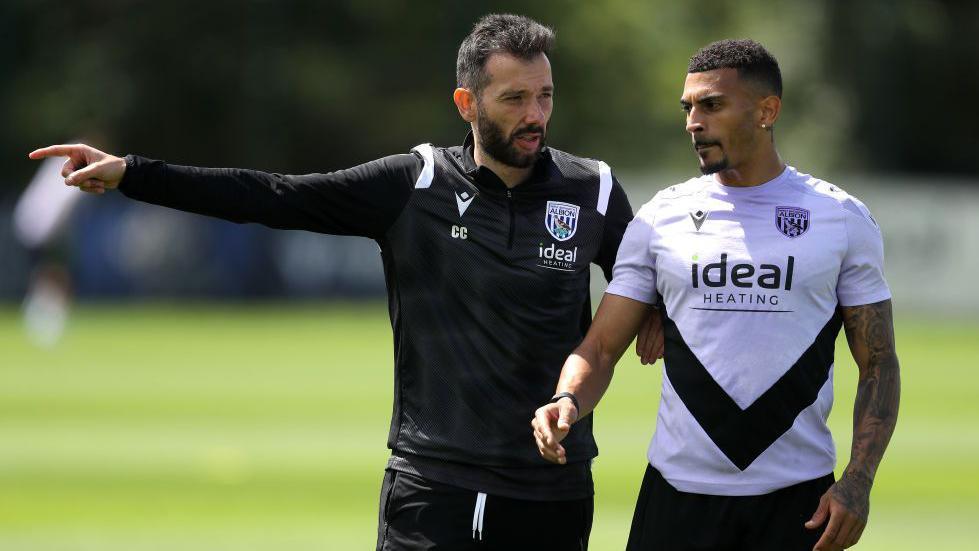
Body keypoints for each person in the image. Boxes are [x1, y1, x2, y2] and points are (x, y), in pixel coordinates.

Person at [30, 13, 664, 551]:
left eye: (545, 96)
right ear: (467, 104)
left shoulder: (595, 190)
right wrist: (134, 174)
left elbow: (642, 281)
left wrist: (655, 308)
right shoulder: (413, 185)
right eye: (515, 99)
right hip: (431, 487)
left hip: (551, 489)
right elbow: (272, 196)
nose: (536, 115)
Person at [532, 39, 900, 551]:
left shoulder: (841, 219)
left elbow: (878, 362)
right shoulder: (660, 219)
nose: (692, 122)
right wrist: (566, 398)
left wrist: (859, 481)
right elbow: (599, 349)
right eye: (688, 107)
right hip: (677, 499)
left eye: (712, 105)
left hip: (799, 505)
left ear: (767, 110)